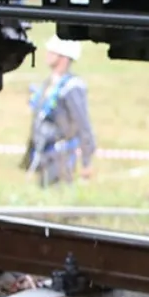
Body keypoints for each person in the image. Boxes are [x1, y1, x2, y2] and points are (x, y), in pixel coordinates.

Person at [19, 34, 97, 187]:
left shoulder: (72, 87)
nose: (47, 54)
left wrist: (86, 161)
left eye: (52, 52)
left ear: (64, 57)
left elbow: (83, 124)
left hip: (61, 159)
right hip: (43, 156)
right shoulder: (48, 84)